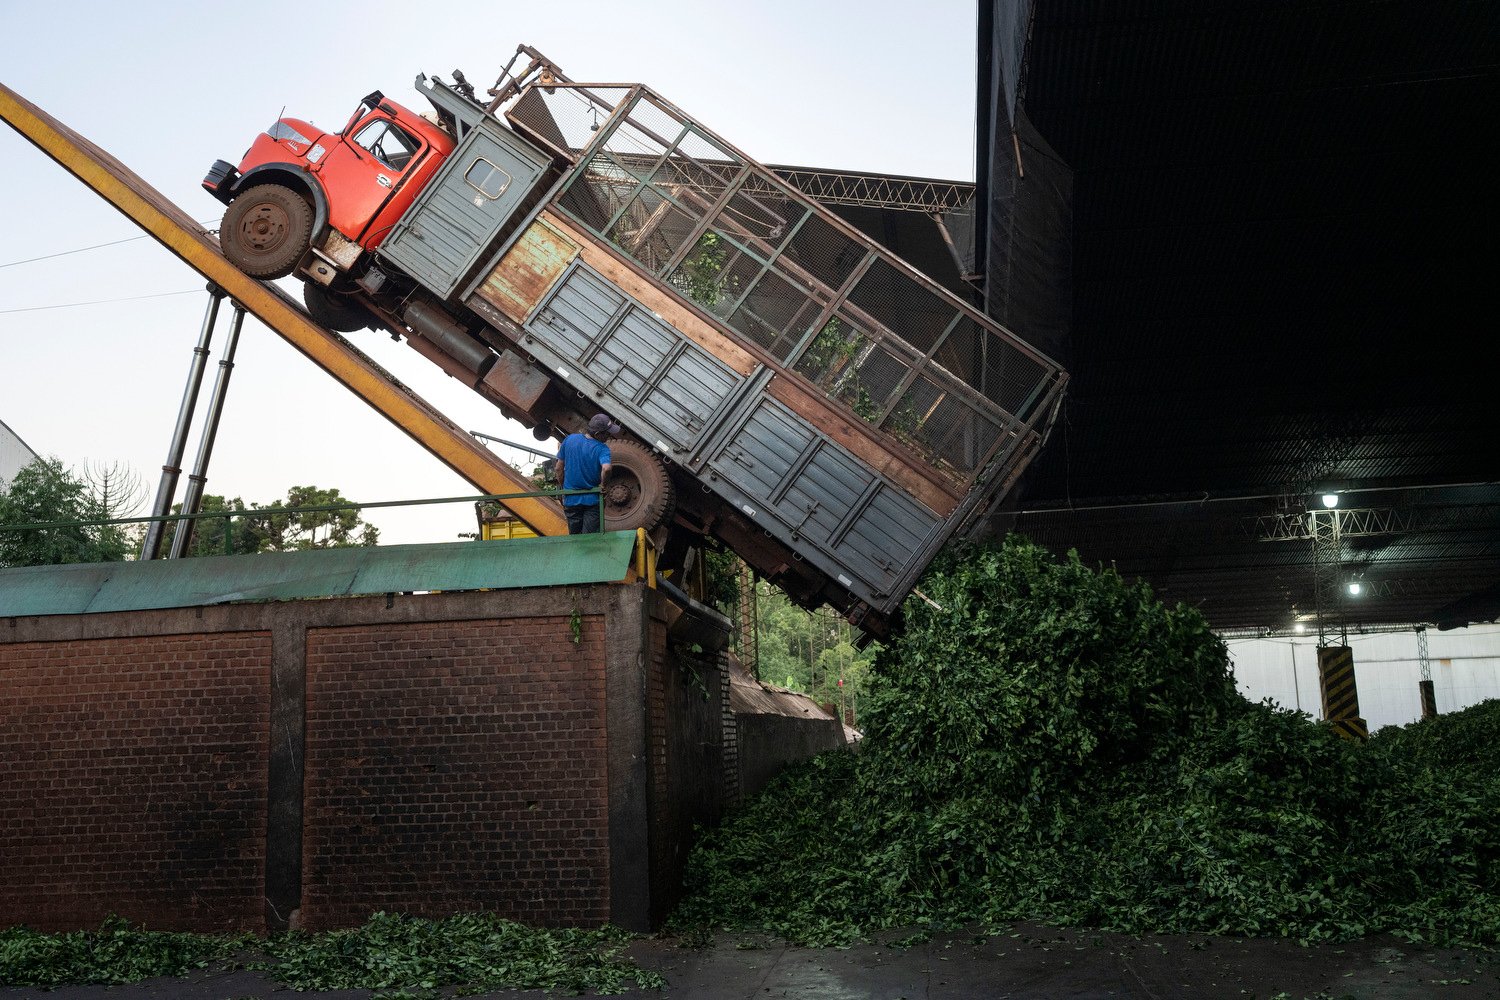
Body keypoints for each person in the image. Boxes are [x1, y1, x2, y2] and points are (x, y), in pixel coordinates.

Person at [555, 413, 619, 534]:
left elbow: (558, 469)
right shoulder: (602, 448)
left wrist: (565, 488)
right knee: (589, 540)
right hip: (592, 501)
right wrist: (603, 486)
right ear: (598, 434)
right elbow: (607, 469)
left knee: (575, 538)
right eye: (607, 433)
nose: (609, 436)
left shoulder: (569, 440)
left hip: (571, 501)